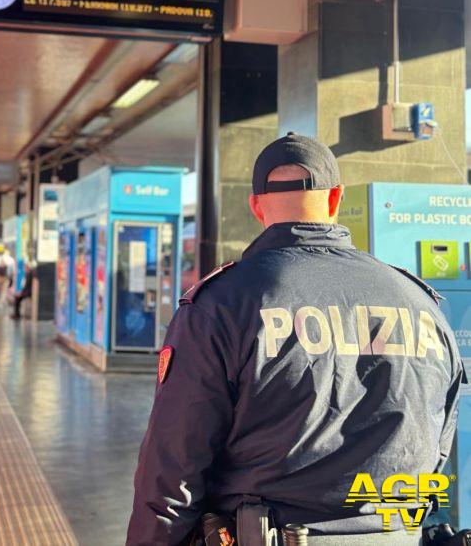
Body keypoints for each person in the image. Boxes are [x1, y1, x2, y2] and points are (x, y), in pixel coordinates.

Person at [127, 132, 463, 545]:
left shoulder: (222, 303)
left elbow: (174, 464)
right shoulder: (420, 303)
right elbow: (437, 448)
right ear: (336, 198)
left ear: (255, 206)